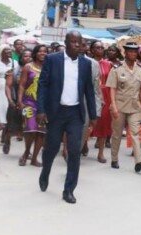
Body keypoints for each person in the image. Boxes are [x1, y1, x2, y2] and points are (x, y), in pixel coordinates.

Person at [37, 31, 97, 204]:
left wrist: (93, 115)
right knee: (52, 148)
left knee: (74, 151)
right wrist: (41, 109)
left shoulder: (86, 64)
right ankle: (45, 170)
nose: (77, 45)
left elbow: (89, 91)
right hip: (56, 112)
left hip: (75, 114)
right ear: (65, 43)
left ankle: (69, 190)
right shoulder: (53, 59)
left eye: (79, 42)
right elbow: (43, 85)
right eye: (73, 42)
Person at [106, 42, 141, 172]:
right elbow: (112, 88)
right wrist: (113, 105)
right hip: (119, 105)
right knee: (117, 134)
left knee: (136, 133)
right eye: (130, 51)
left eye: (135, 52)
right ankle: (114, 159)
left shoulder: (140, 70)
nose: (133, 54)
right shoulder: (117, 69)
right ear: (125, 53)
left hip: (135, 106)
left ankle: (138, 161)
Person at [18, 44, 48, 167]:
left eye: (45, 52)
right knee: (30, 129)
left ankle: (34, 158)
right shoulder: (28, 67)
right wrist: (20, 101)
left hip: (44, 104)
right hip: (29, 102)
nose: (43, 53)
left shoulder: (49, 67)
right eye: (40, 51)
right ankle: (26, 153)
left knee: (41, 132)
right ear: (35, 53)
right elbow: (21, 85)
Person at [89, 41, 113, 162]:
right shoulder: (87, 62)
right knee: (88, 123)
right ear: (91, 50)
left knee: (103, 123)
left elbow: (112, 83)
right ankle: (83, 145)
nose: (100, 49)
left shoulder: (108, 64)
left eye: (101, 48)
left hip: (105, 94)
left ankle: (101, 153)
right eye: (97, 47)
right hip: (90, 93)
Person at [0, 45, 13, 146]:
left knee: (7, 111)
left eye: (9, 49)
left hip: (10, 88)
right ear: (1, 52)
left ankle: (5, 136)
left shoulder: (14, 63)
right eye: (6, 50)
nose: (9, 51)